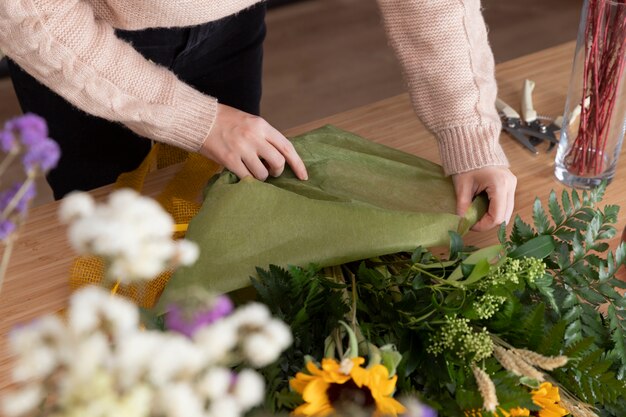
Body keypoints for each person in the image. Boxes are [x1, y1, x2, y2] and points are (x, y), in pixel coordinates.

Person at [0, 0, 516, 232]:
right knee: (108, 246)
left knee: (222, 218)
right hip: (78, 42)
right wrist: (196, 119)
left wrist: (467, 126)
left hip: (231, 25)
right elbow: (29, 12)